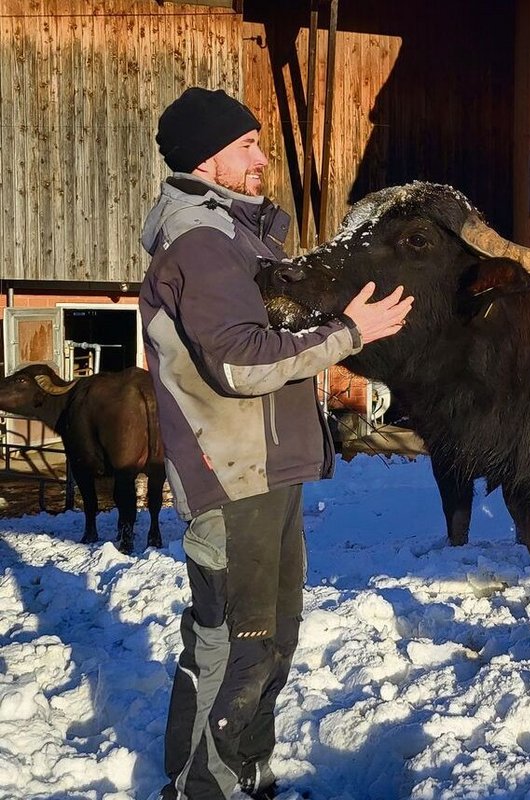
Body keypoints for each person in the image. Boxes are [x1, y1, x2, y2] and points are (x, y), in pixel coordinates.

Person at [139, 87, 413, 800]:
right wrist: (349, 333)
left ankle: (243, 774)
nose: (264, 159)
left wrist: (335, 374)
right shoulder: (202, 240)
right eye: (247, 146)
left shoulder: (240, 236)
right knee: (240, 642)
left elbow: (270, 350)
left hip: (263, 470)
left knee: (268, 640)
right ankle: (204, 789)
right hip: (232, 477)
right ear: (209, 158)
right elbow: (241, 362)